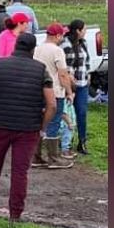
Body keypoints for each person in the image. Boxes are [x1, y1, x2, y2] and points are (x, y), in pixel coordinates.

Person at [0, 33, 56, 222]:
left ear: (15, 46)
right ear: (33, 50)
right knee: (19, 172)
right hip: (28, 129)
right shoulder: (41, 70)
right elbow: (52, 105)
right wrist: (41, 127)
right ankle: (15, 216)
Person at [33, 22, 74, 168]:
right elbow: (62, 75)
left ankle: (36, 156)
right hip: (55, 91)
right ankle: (53, 158)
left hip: (39, 91)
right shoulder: (57, 51)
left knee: (39, 122)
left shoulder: (37, 49)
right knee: (54, 122)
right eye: (62, 34)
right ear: (57, 35)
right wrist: (69, 92)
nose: (63, 37)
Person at [61, 19, 91, 155]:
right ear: (78, 30)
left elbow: (87, 60)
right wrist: (69, 82)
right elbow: (65, 65)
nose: (85, 32)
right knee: (67, 113)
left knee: (82, 113)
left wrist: (89, 73)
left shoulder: (83, 43)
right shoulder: (66, 44)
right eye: (84, 29)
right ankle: (65, 142)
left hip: (83, 83)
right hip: (70, 84)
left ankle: (82, 141)